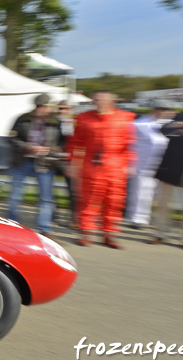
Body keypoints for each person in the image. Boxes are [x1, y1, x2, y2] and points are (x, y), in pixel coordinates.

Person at [68, 90, 135, 248]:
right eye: (95, 99)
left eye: (101, 100)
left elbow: (130, 144)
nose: (97, 102)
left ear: (112, 101)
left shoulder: (126, 118)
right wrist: (71, 163)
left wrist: (129, 164)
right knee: (88, 200)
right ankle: (86, 233)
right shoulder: (83, 118)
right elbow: (74, 143)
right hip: (91, 164)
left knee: (114, 200)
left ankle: (109, 234)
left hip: (116, 164)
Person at [6, 93, 64, 236]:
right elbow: (12, 138)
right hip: (21, 162)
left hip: (45, 164)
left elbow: (62, 143)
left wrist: (50, 149)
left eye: (44, 107)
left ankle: (45, 228)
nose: (41, 109)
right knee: (15, 195)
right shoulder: (22, 119)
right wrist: (27, 147)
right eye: (39, 107)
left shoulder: (55, 122)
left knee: (45, 198)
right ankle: (11, 223)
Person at [150, 101, 183, 250]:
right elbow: (163, 130)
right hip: (174, 165)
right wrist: (178, 127)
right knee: (164, 201)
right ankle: (161, 233)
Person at [124, 100, 171, 228]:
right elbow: (129, 144)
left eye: (165, 110)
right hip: (141, 164)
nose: (163, 112)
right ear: (154, 109)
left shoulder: (166, 125)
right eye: (161, 109)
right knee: (140, 192)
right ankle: (137, 218)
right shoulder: (137, 124)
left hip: (161, 165)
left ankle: (155, 219)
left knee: (159, 194)